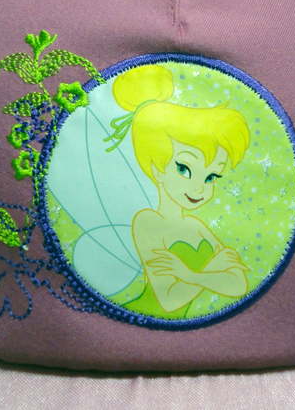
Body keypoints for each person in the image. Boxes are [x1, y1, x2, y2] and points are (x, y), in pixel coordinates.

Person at [106, 64, 252, 319]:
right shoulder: (148, 222)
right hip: (144, 320)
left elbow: (240, 285)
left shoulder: (196, 226)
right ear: (157, 168)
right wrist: (213, 270)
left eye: (211, 177)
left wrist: (188, 275)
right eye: (184, 169)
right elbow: (168, 301)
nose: (199, 187)